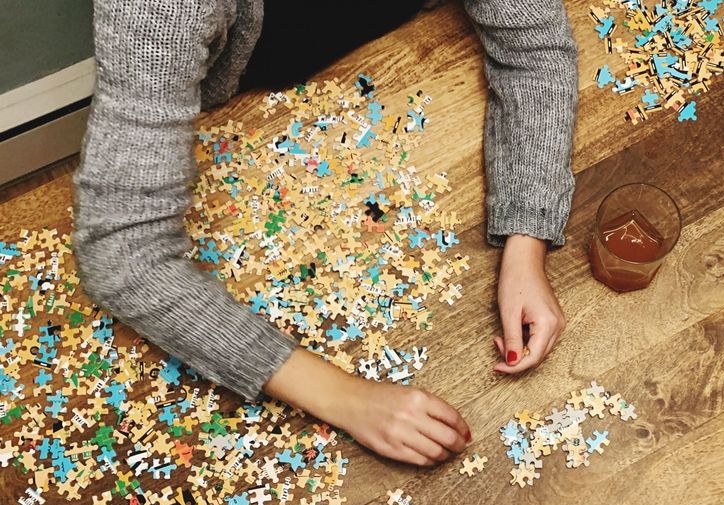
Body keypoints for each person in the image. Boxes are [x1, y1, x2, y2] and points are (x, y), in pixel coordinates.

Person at [73, 0, 579, 467]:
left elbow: (533, 46)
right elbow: (123, 251)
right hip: (251, 112)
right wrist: (346, 399)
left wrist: (526, 240)